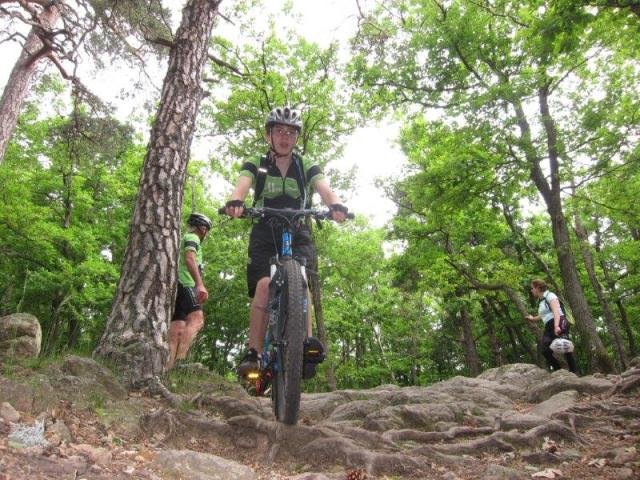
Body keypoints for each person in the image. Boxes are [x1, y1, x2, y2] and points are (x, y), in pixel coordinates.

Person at [224, 106, 348, 378]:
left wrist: (335, 204)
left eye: (290, 132)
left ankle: (305, 345)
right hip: (264, 231)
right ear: (269, 135)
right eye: (279, 131)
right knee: (265, 285)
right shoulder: (256, 163)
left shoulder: (305, 165)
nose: (285, 137)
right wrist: (236, 201)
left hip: (298, 228)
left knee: (301, 280)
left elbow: (324, 187)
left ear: (296, 138)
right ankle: (254, 353)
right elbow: (242, 184)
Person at [168, 212, 212, 369]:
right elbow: (189, 258)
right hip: (187, 283)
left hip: (176, 284)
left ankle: (169, 368)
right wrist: (199, 284)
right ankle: (181, 361)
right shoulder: (193, 238)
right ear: (202, 228)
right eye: (207, 229)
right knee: (197, 320)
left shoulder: (185, 238)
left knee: (177, 328)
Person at [525, 279, 578, 374]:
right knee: (545, 350)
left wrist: (556, 326)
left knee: (566, 347)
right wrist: (532, 319)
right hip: (548, 326)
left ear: (538, 288)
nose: (531, 290)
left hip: (559, 322)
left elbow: (556, 311)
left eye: (532, 288)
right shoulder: (541, 301)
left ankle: (573, 372)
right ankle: (559, 371)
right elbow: (543, 316)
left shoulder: (550, 296)